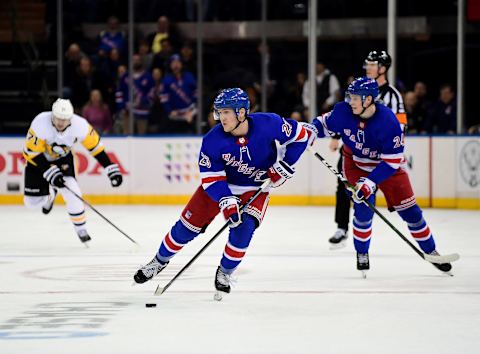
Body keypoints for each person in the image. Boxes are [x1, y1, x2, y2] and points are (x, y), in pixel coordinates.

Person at [133, 88, 309, 299]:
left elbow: (301, 136)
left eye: (226, 112)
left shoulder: (268, 123)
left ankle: (225, 273)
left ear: (242, 112)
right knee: (185, 229)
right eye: (219, 112)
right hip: (220, 188)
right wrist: (225, 199)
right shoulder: (212, 140)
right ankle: (158, 262)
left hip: (255, 188)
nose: (221, 117)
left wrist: (285, 164)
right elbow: (211, 178)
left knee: (244, 229)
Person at [307, 77, 452, 276]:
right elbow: (321, 124)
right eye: (350, 96)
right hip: (356, 165)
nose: (351, 101)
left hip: (386, 168)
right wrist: (308, 133)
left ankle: (431, 250)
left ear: (369, 100)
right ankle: (362, 253)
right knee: (364, 210)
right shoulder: (343, 110)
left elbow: (392, 161)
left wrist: (371, 182)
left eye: (356, 97)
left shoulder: (388, 121)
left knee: (412, 214)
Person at [328, 50, 407, 248]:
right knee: (343, 185)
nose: (368, 68)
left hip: (380, 155)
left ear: (383, 68)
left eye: (373, 65)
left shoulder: (393, 96)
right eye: (368, 64)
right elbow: (346, 114)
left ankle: (366, 227)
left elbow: (400, 126)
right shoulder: (359, 87)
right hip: (354, 148)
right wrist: (337, 136)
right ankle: (342, 227)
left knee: (377, 187)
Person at [22, 98, 123, 244]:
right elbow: (30, 153)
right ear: (52, 115)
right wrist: (50, 172)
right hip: (38, 161)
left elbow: (95, 147)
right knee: (31, 204)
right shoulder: (40, 123)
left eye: (65, 119)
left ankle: (81, 228)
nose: (61, 122)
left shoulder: (80, 125)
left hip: (62, 160)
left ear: (71, 118)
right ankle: (51, 193)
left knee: (73, 192)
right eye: (58, 118)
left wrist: (110, 168)